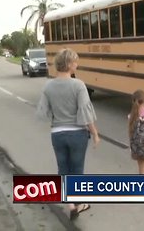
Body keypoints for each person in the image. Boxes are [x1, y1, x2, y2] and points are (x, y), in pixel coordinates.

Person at [36, 48, 100, 221]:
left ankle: (70, 204)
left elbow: (43, 110)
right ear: (70, 64)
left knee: (63, 169)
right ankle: (78, 204)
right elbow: (85, 112)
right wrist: (94, 133)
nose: (77, 65)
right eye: (76, 62)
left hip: (57, 133)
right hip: (77, 134)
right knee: (77, 169)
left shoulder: (48, 85)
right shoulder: (78, 84)